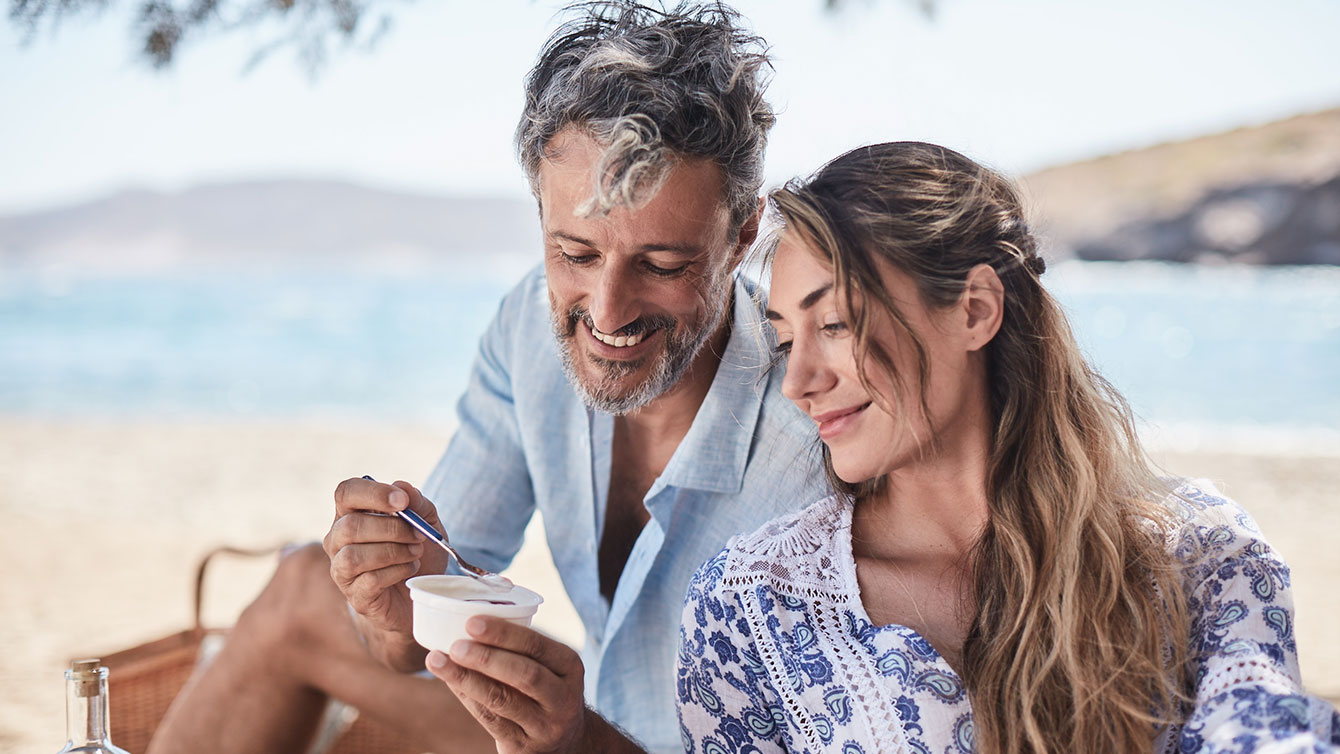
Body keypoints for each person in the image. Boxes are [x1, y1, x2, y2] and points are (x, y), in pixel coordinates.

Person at [147, 4, 824, 754]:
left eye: (662, 266)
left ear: (742, 235)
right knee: (306, 590)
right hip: (572, 732)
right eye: (574, 252)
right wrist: (390, 592)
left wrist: (578, 742)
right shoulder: (527, 332)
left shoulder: (818, 443)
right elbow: (405, 647)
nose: (607, 314)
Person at [675, 141, 1340, 753]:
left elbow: (1258, 725)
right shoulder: (753, 608)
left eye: (835, 323)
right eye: (787, 340)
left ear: (975, 311)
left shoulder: (1201, 557)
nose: (799, 382)